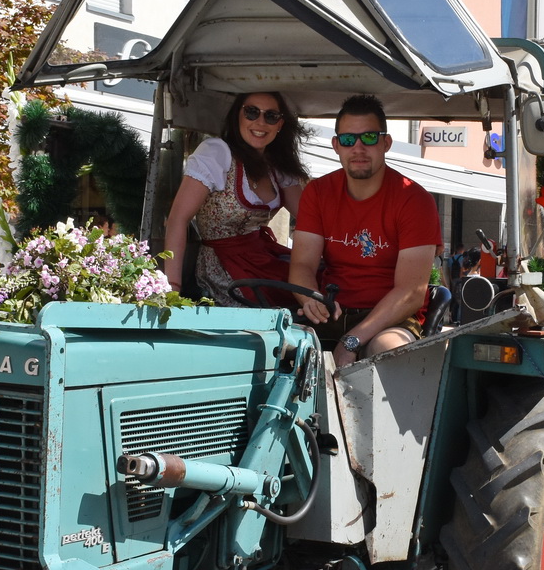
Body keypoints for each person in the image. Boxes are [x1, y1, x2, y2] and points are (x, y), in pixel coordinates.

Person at [288, 95, 440, 365]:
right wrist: (310, 298)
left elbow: (410, 293)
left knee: (386, 351)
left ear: (386, 143)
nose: (358, 148)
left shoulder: (415, 199)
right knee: (275, 348)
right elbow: (301, 265)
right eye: (348, 139)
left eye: (369, 138)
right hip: (331, 311)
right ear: (336, 145)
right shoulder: (317, 192)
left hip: (389, 318)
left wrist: (352, 340)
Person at [162, 92, 308, 303]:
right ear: (236, 116)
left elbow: (309, 219)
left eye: (271, 116)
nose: (260, 122)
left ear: (280, 124)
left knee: (318, 286)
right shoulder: (217, 153)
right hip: (221, 267)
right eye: (251, 112)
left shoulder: (277, 164)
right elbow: (178, 219)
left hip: (261, 258)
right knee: (266, 301)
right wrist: (171, 289)